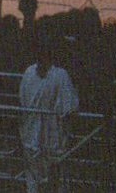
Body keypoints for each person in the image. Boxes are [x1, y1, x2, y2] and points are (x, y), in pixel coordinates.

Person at [18, 34, 79, 192]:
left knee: (33, 183)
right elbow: (69, 110)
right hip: (52, 141)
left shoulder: (28, 72)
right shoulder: (60, 75)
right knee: (55, 184)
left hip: (31, 138)